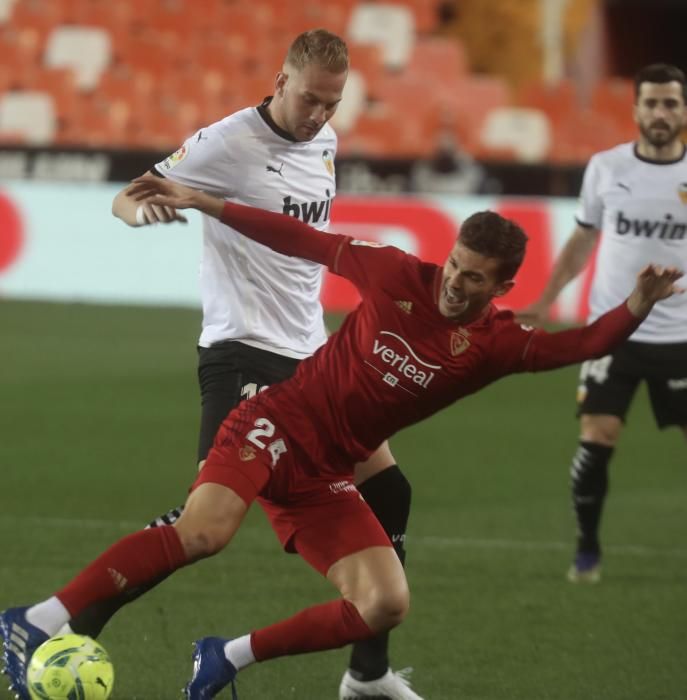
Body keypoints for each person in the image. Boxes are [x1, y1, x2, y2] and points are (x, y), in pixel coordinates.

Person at [1, 176, 682, 700]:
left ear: (504, 285)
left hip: (328, 474)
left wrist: (635, 305)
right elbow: (300, 239)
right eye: (453, 265)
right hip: (272, 424)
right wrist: (203, 201)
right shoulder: (393, 273)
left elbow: (580, 344)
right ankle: (39, 617)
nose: (454, 283)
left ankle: (226, 655)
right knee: (205, 531)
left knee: (385, 601)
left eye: (474, 278)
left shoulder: (498, 345)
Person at [102, 28, 419, 699]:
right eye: (309, 100)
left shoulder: (324, 142)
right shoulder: (227, 142)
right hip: (243, 347)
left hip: (313, 355)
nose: (319, 116)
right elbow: (126, 196)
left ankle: (367, 675)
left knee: (390, 490)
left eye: (331, 104)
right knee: (206, 522)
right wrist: (143, 215)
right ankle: (78, 615)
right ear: (280, 81)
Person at [518, 62, 687, 583]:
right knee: (597, 437)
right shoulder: (607, 167)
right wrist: (547, 298)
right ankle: (587, 547)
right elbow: (583, 239)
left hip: (681, 335)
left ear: (683, 110)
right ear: (635, 109)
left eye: (671, 103)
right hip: (614, 330)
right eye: (652, 102)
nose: (661, 112)